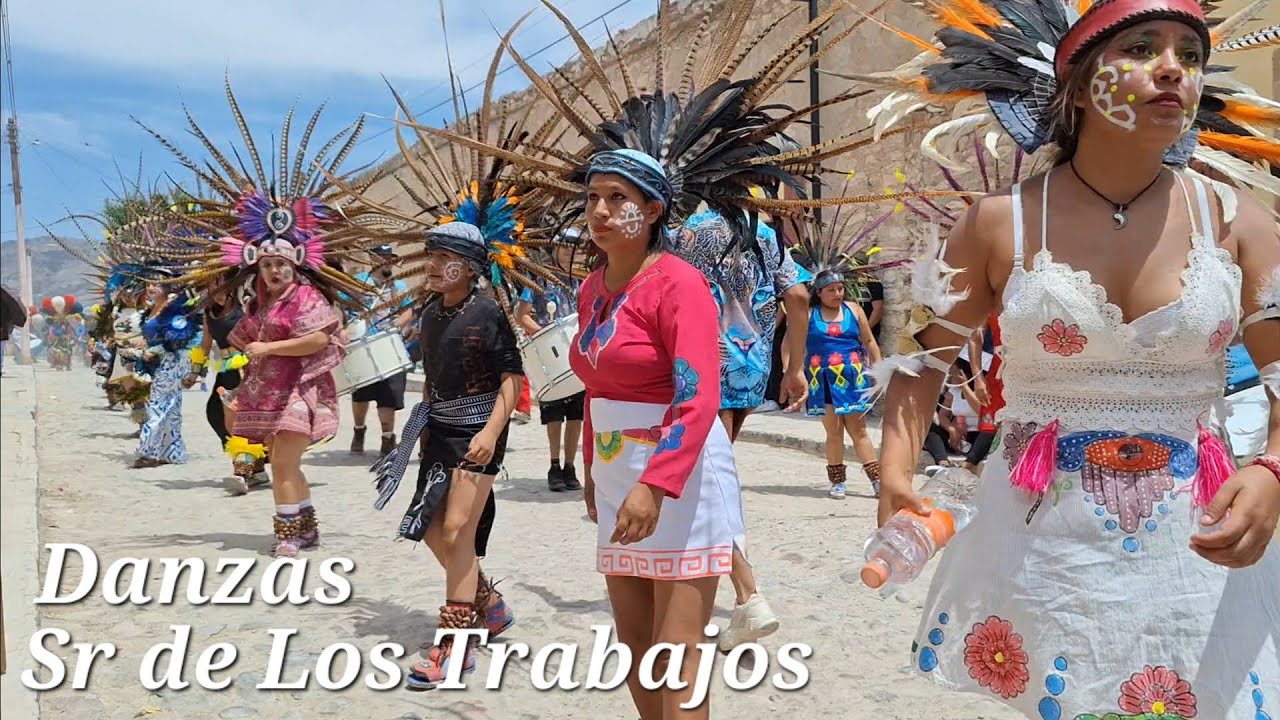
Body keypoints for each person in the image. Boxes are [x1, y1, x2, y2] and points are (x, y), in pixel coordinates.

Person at [869, 0, 1280, 716]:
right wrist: (897, 471)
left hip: (1196, 541)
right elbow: (920, 360)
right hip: (1043, 548)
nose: (1171, 70)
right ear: (1078, 82)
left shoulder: (1237, 219)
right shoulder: (999, 224)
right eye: (1144, 48)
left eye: (1190, 55)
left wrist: (1273, 468)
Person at [371, 222, 522, 690]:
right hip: (438, 433)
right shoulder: (431, 313)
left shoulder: (489, 312)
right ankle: (488, 604)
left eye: (443, 258)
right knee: (433, 533)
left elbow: (511, 379)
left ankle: (456, 644)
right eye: (430, 255)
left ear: (471, 267)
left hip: (479, 433)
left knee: (457, 531)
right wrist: (423, 431)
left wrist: (493, 432)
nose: (432, 266)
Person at [666, 208, 810, 651]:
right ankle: (719, 586)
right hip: (748, 369)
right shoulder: (764, 233)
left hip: (700, 366)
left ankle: (748, 595)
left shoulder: (686, 232)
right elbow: (800, 298)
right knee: (711, 476)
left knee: (706, 482)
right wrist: (795, 368)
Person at [515, 228, 587, 492]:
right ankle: (554, 465)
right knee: (554, 414)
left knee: (576, 415)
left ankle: (570, 466)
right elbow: (521, 315)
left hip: (575, 354)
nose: (571, 252)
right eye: (566, 246)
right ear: (554, 247)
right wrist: (547, 335)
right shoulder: (536, 278)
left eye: (575, 247)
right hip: (551, 354)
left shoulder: (580, 279)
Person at [803, 269, 883, 498]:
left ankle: (876, 479)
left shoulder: (854, 310)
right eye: (831, 290)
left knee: (859, 430)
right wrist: (793, 372)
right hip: (823, 380)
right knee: (834, 431)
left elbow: (869, 341)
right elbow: (792, 344)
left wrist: (879, 370)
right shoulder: (809, 315)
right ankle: (838, 482)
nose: (837, 293)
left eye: (840, 289)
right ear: (819, 293)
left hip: (853, 379)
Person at [185, 287, 270, 494]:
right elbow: (205, 344)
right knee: (215, 413)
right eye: (213, 288)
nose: (219, 293)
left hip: (248, 368)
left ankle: (241, 471)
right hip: (225, 369)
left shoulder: (246, 305)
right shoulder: (209, 313)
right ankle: (256, 468)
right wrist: (195, 373)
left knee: (239, 417)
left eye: (224, 287)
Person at [349, 244, 414, 457]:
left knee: (389, 395)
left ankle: (388, 438)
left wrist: (398, 324)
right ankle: (359, 431)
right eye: (382, 257)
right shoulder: (358, 283)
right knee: (361, 395)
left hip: (389, 345)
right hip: (363, 344)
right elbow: (343, 307)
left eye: (389, 258)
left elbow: (409, 310)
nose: (387, 262)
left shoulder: (400, 286)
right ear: (372, 259)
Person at [133, 281, 200, 468]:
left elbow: (180, 338)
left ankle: (148, 452)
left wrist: (156, 350)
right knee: (170, 407)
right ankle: (171, 452)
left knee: (157, 403)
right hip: (160, 363)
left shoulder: (175, 307)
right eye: (148, 284)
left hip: (174, 361)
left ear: (169, 287)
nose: (150, 288)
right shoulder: (153, 308)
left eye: (157, 284)